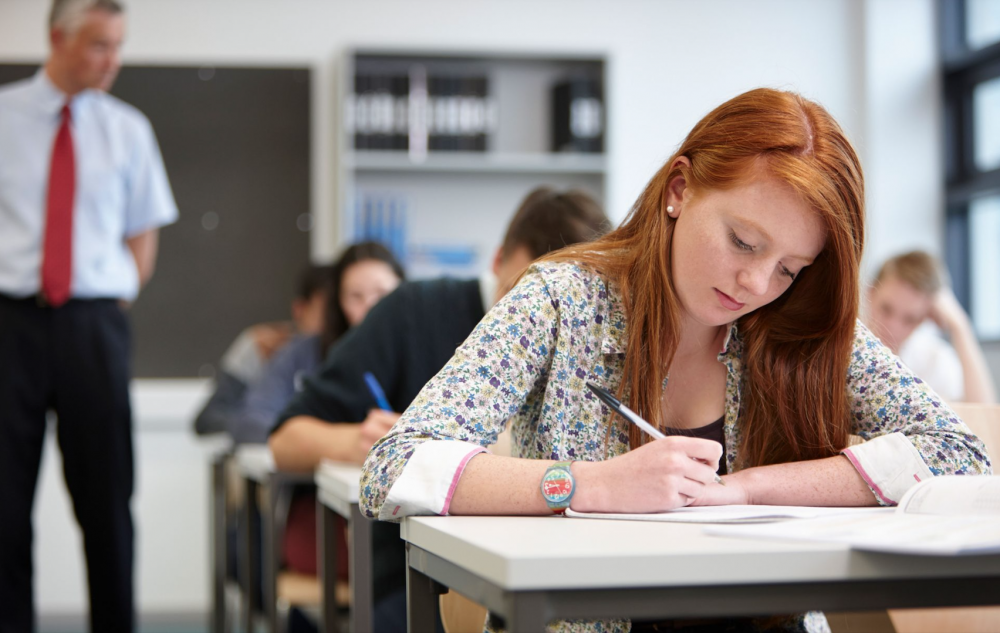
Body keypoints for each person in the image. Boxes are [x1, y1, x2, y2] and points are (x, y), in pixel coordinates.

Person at [358, 89, 991, 633]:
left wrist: (745, 489)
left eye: (788, 269)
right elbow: (394, 465)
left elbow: (958, 455)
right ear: (679, 190)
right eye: (743, 241)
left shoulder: (802, 321)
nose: (755, 283)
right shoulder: (562, 299)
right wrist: (591, 485)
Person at [269, 186, 610, 632]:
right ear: (498, 259)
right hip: (418, 578)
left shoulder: (602, 334)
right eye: (530, 291)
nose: (545, 317)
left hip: (565, 576)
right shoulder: (411, 312)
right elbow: (284, 440)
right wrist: (362, 443)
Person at [0, 1, 178, 631]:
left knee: (107, 502)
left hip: (93, 326)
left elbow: (142, 243)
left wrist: (101, 302)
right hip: (10, 325)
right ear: (59, 38)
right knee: (4, 504)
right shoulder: (5, 117)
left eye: (118, 44)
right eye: (100, 44)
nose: (113, 60)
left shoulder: (129, 129)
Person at [235, 241, 405, 445]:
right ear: (339, 303)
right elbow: (253, 420)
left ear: (405, 294)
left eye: (382, 295)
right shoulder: (304, 354)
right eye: (355, 296)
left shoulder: (429, 356)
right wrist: (339, 441)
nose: (370, 307)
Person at [192, 263, 333, 437]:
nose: (333, 325)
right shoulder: (261, 346)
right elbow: (209, 418)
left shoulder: (349, 356)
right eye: (327, 314)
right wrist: (259, 425)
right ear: (300, 310)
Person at [865, 250, 997, 404]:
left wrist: (960, 327)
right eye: (886, 309)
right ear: (871, 293)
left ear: (925, 317)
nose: (892, 326)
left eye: (910, 319)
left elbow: (982, 414)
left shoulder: (934, 360)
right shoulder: (844, 344)